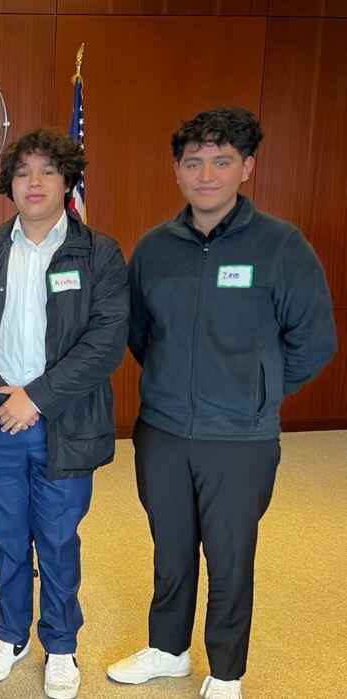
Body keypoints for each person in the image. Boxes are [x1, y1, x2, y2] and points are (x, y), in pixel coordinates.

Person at [108, 107, 336, 699]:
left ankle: (226, 670)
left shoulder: (282, 245)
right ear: (177, 173)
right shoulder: (155, 248)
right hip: (162, 429)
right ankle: (168, 649)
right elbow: (138, 331)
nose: (206, 174)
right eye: (194, 162)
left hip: (241, 437)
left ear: (246, 168)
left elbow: (314, 340)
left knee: (231, 558)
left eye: (222, 160)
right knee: (171, 548)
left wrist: (257, 393)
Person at [0, 128, 129, 699]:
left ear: (67, 182)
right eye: (24, 172)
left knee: (57, 540)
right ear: (9, 184)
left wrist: (37, 397)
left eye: (48, 172)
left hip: (66, 420)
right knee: (7, 539)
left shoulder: (98, 252)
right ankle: (12, 635)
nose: (35, 182)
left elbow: (106, 342)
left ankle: (60, 642)